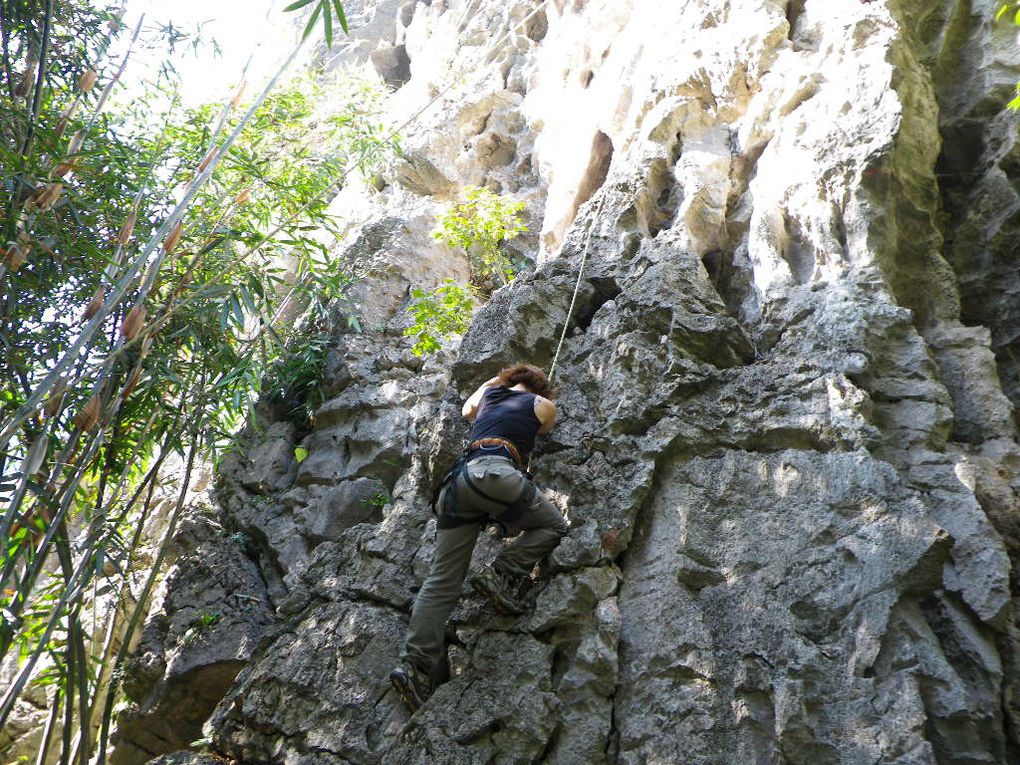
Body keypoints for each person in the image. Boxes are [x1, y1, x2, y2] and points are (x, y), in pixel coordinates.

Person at [389, 363, 569, 712]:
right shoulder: (541, 403)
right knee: (553, 526)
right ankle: (500, 574)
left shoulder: (487, 395)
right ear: (540, 388)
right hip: (497, 474)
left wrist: (495, 381)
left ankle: (414, 665)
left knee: (441, 581)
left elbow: (466, 410)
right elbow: (546, 427)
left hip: (457, 486)